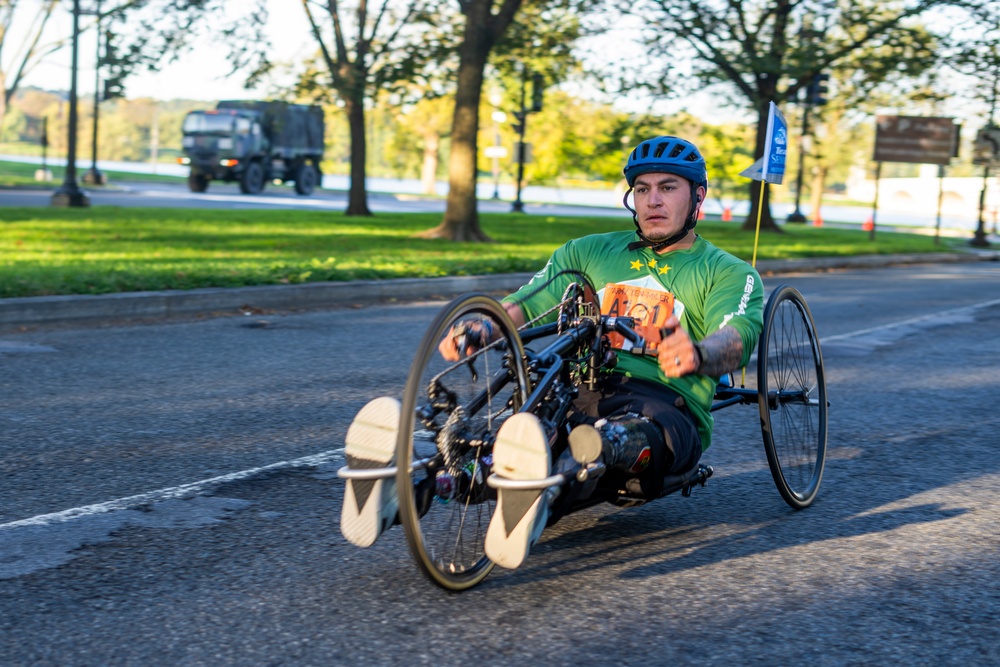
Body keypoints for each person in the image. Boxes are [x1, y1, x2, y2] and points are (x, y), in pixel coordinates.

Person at [340, 136, 764, 569]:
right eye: (642, 189)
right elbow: (524, 304)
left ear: (698, 196)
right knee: (520, 446)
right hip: (579, 391)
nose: (652, 200)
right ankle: (407, 491)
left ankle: (550, 482)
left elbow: (737, 335)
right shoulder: (588, 252)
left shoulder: (727, 271)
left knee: (605, 440)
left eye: (668, 187)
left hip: (664, 402)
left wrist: (697, 352)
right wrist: (482, 327)